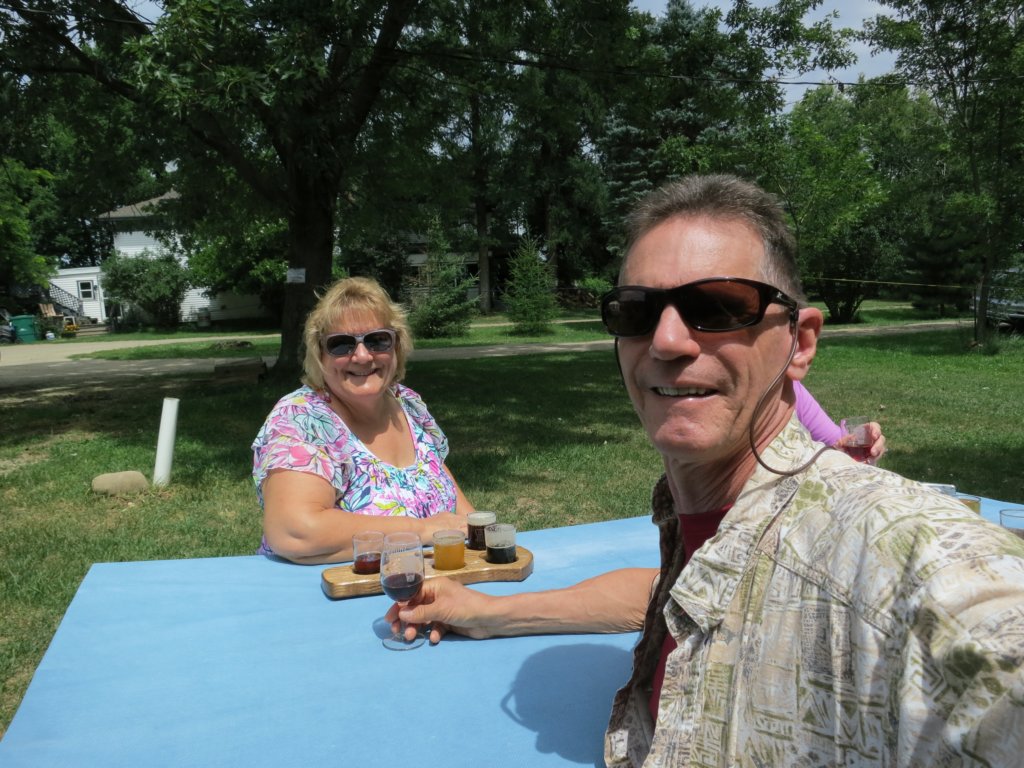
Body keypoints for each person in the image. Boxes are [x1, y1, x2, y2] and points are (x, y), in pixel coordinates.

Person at [389, 175, 1024, 766]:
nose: (666, 341)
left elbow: (981, 631)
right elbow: (686, 596)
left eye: (719, 306)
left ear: (800, 342)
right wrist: (488, 611)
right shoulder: (709, 523)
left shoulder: (902, 559)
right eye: (637, 311)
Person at [252, 276, 473, 564]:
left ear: (397, 345)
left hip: (429, 582)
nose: (362, 356)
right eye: (341, 345)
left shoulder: (407, 403)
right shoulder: (301, 418)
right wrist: (421, 530)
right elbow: (294, 532)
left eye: (377, 340)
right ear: (319, 354)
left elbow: (460, 514)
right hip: (332, 588)